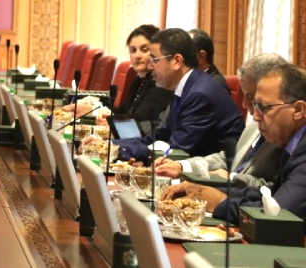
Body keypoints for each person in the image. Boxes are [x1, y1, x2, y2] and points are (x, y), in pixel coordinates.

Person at [162, 63, 306, 223]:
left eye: (264, 107)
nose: (255, 116)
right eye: (255, 105)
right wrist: (203, 191)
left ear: (298, 110)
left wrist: (221, 202)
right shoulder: (294, 142)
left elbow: (278, 215)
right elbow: (269, 194)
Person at [155, 53, 285, 188]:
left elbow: (274, 188)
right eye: (245, 96)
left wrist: (232, 178)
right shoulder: (254, 125)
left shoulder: (287, 135)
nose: (245, 104)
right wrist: (182, 166)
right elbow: (229, 158)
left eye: (252, 98)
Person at [115, 28, 244, 161]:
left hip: (214, 170)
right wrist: (111, 145)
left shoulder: (199, 95)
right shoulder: (186, 86)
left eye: (155, 60)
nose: (150, 66)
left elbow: (176, 151)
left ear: (177, 61)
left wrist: (119, 151)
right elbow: (157, 137)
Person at [114, 24, 174, 134]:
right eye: (133, 50)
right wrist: (97, 108)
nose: (137, 55)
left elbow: (139, 124)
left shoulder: (159, 83)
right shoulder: (138, 80)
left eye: (144, 50)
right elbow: (123, 112)